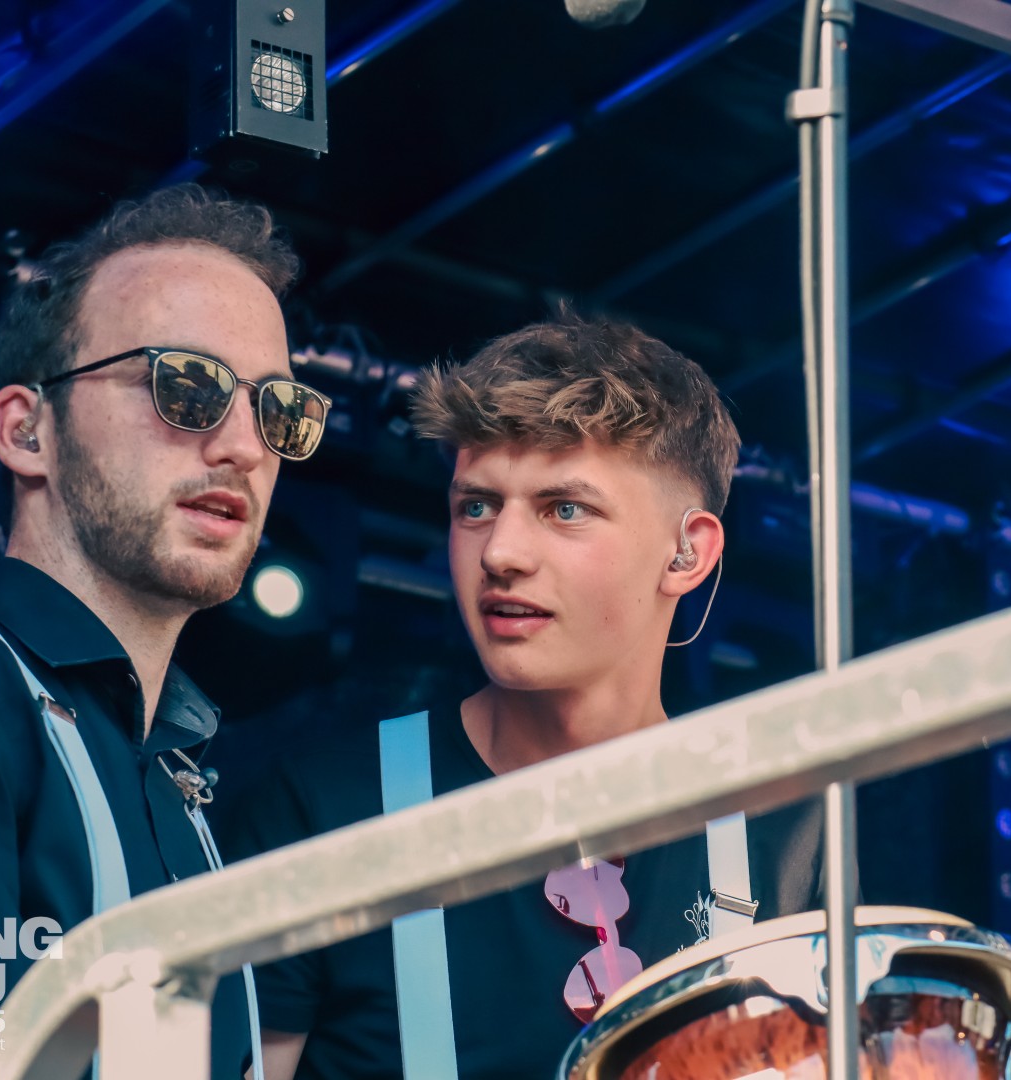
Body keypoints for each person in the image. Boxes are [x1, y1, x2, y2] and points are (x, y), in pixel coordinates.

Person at [225, 314, 823, 1080]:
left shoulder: (785, 830)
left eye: (564, 509)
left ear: (686, 553)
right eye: (476, 506)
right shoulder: (321, 815)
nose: (501, 553)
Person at [0, 185, 329, 1080]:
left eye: (279, 410)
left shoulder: (174, 768)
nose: (244, 447)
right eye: (184, 385)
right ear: (27, 431)